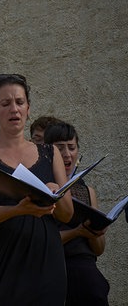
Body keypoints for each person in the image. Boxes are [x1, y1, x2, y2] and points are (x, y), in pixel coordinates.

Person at [0, 73, 74, 305]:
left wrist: (57, 192)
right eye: (5, 103)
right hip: (0, 262)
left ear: (28, 108)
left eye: (20, 102)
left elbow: (67, 214)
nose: (14, 109)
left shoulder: (50, 153)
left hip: (45, 261)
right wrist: (20, 210)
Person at [44, 121, 110, 305]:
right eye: (59, 148)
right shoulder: (42, 188)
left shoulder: (87, 191)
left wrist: (96, 230)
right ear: (48, 152)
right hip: (54, 269)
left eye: (71, 147)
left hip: (86, 272)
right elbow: (41, 240)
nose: (66, 154)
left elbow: (99, 249)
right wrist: (77, 232)